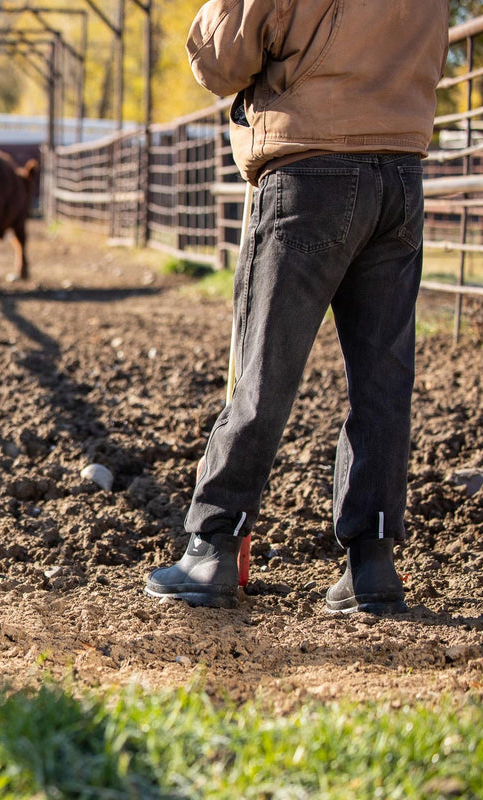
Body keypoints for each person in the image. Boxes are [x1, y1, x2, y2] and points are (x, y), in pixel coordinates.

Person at [145, 0, 449, 614]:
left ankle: (213, 547)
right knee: (383, 383)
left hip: (311, 170)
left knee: (265, 371)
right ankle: (373, 564)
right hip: (401, 175)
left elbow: (221, 58)